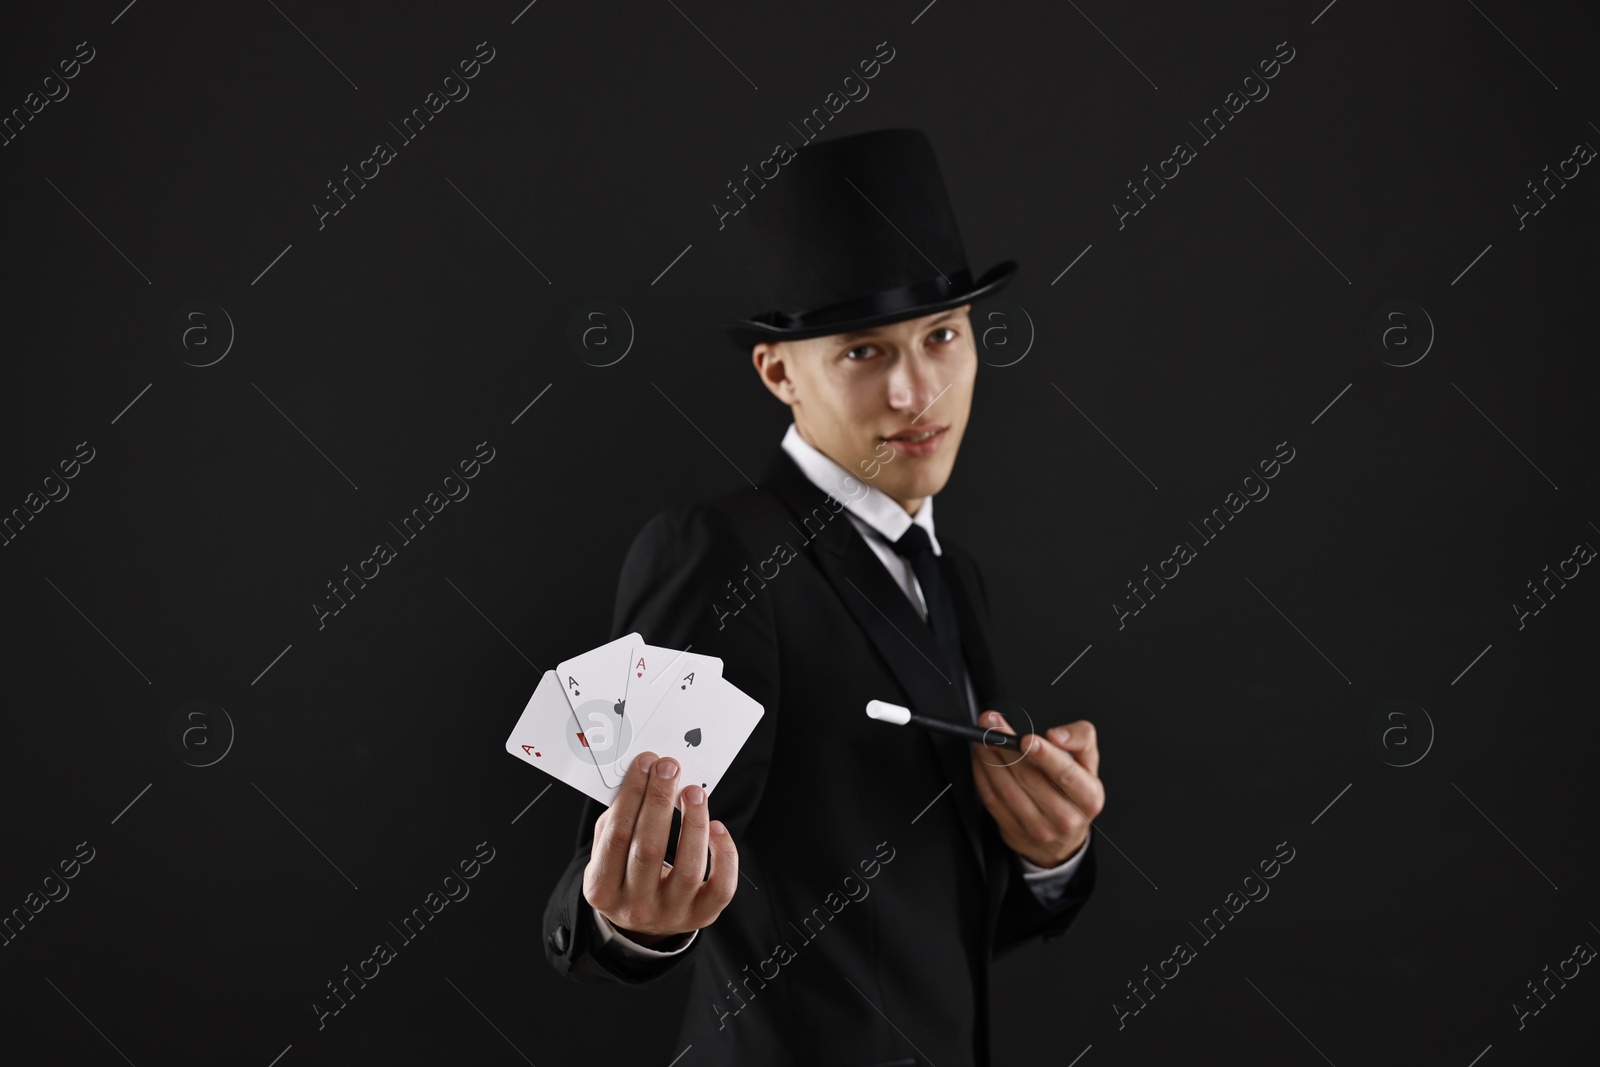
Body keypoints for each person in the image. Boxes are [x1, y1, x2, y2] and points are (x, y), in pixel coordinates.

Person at [542, 128, 1105, 1066]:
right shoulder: (719, 552)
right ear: (780, 372)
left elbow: (934, 923)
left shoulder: (951, 572)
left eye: (941, 336)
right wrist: (625, 922)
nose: (917, 391)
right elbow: (612, 873)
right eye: (862, 353)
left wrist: (1053, 855)